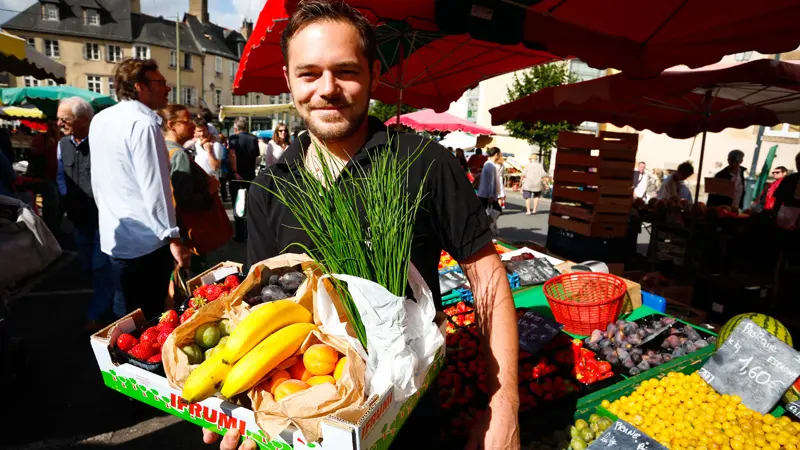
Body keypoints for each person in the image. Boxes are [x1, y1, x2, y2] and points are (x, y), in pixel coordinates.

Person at [202, 2, 519, 449]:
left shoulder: (423, 162)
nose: (327, 89)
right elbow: (262, 310)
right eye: (309, 73)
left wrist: (503, 408)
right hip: (304, 425)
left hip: (406, 423)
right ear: (289, 80)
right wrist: (237, 400)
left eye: (345, 71)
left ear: (373, 74)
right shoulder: (269, 187)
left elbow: (488, 281)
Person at [89, 58, 190, 320]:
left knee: (125, 315)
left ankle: (117, 360)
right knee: (150, 317)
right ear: (139, 87)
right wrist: (173, 238)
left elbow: (98, 181)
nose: (168, 89)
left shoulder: (100, 119)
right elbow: (156, 189)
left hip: (116, 238)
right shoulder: (144, 124)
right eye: (161, 83)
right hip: (146, 242)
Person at [55, 97, 114, 331]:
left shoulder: (102, 144)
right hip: (79, 219)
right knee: (88, 267)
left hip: (102, 218)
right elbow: (61, 175)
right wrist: (66, 198)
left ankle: (98, 315)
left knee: (101, 267)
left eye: (65, 118)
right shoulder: (63, 145)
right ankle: (104, 304)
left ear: (83, 120)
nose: (59, 122)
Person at [160, 104, 221, 274]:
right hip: (187, 231)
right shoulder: (179, 154)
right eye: (187, 121)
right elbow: (185, 200)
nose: (193, 125)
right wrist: (210, 190)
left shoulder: (163, 149)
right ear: (172, 125)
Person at [227, 117, 260, 241]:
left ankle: (240, 234)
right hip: (250, 175)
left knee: (237, 204)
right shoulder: (253, 139)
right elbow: (256, 158)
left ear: (235, 128)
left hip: (237, 176)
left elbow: (232, 154)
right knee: (249, 205)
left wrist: (235, 171)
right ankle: (250, 232)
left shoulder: (233, 139)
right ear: (246, 127)